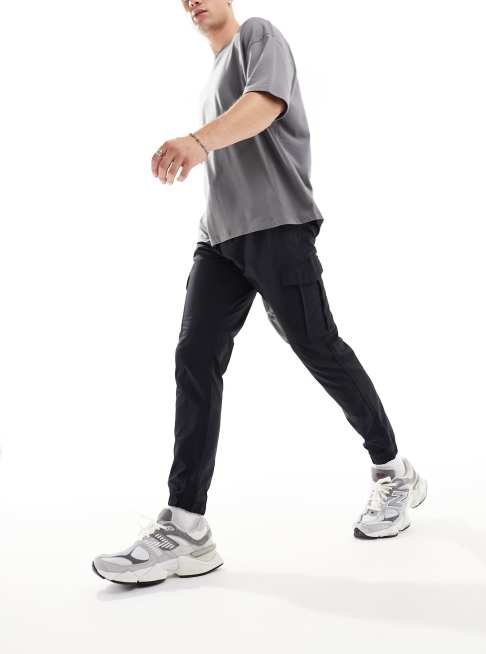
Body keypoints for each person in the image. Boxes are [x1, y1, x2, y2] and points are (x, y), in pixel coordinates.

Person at [92, 0, 427, 586]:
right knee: (195, 358)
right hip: (219, 240)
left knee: (318, 348)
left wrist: (197, 142)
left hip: (277, 229)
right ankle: (187, 526)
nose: (192, 0)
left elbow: (264, 106)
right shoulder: (210, 77)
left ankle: (393, 471)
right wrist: (201, 164)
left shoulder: (258, 36)